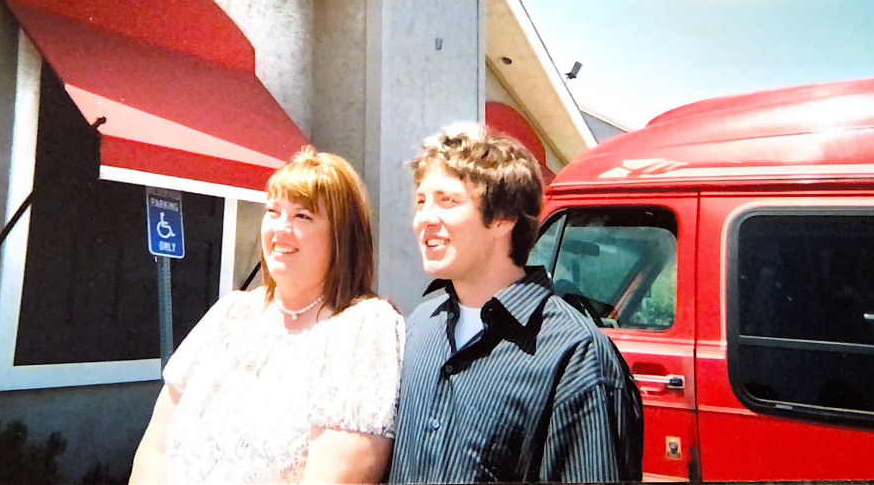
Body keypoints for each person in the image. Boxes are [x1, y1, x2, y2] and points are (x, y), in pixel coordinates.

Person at [130, 147, 404, 484]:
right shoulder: (230, 314)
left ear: (342, 236)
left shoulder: (363, 327)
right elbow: (156, 449)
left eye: (302, 216)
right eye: (273, 212)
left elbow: (337, 474)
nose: (280, 229)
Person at [388, 125, 643, 483]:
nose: (424, 219)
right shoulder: (420, 326)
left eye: (447, 201)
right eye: (420, 201)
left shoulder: (575, 355)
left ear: (502, 218)